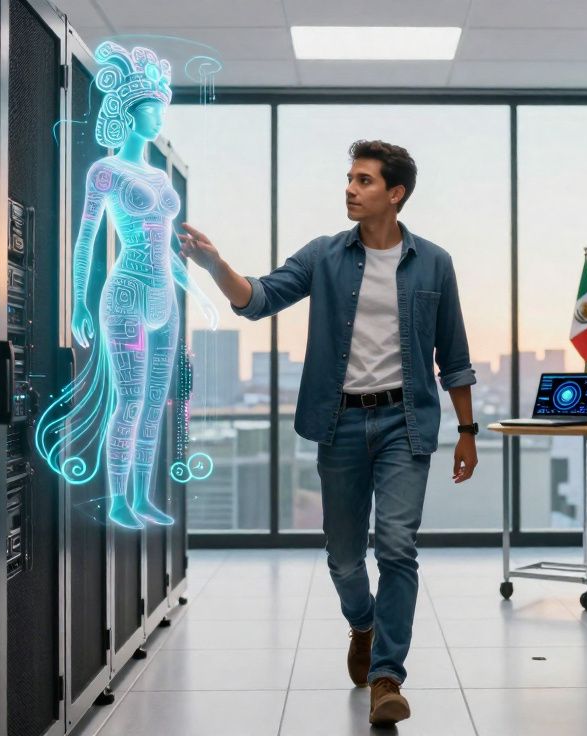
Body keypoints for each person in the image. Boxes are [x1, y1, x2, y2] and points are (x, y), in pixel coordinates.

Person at [178, 139, 478, 726]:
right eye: (349, 178)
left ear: (395, 194)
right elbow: (258, 299)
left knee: (396, 545)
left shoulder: (435, 263)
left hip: (404, 423)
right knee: (344, 558)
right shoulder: (324, 256)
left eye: (363, 180)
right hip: (339, 422)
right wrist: (217, 266)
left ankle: (387, 676)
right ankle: (362, 624)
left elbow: (456, 357)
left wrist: (467, 430)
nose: (349, 188)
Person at [34, 42, 219, 530]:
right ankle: (118, 500)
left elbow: (167, 249)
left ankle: (140, 496)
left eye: (162, 110)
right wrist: (78, 304)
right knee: (130, 400)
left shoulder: (160, 178)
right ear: (132, 112)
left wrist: (196, 290)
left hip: (165, 297)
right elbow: (87, 241)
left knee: (157, 404)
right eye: (153, 110)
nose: (159, 119)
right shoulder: (106, 171)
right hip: (125, 296)